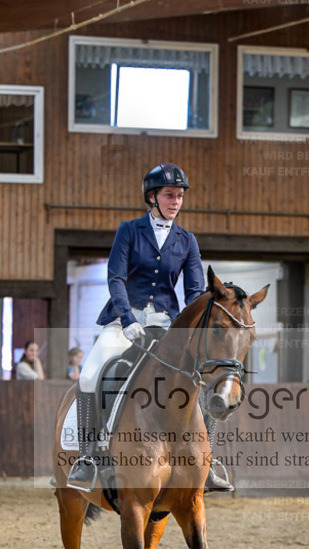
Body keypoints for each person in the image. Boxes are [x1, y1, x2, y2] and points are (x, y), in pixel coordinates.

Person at [67, 162, 233, 494]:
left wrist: (196, 325)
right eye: (170, 195)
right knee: (90, 373)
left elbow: (194, 291)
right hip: (123, 320)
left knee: (202, 374)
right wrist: (127, 319)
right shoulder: (129, 230)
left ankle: (209, 461)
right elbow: (115, 277)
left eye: (180, 196)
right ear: (152, 197)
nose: (176, 201)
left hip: (168, 324)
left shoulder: (186, 241)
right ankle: (87, 458)